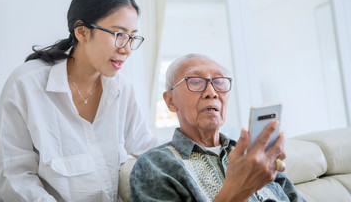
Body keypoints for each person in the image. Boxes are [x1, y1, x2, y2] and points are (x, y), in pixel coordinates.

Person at [0, 0, 158, 202]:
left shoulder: (121, 88)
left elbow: (146, 150)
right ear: (82, 32)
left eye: (131, 37)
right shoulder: (25, 85)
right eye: (118, 34)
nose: (127, 49)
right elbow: (16, 177)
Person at [130, 54, 305, 202]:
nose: (212, 92)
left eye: (219, 82)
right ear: (170, 100)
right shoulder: (154, 165)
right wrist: (236, 191)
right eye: (196, 81)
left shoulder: (253, 156)